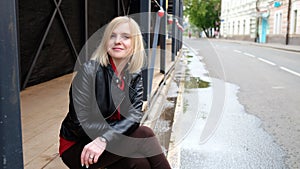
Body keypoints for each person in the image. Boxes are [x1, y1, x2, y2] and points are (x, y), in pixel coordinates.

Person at [59, 16, 171, 169]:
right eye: (112, 36)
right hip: (78, 146)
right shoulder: (89, 71)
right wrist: (108, 137)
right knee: (144, 133)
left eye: (126, 37)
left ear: (135, 44)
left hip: (107, 142)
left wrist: (106, 138)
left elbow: (134, 117)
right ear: (106, 42)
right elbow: (80, 123)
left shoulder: (134, 75)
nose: (118, 41)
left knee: (139, 163)